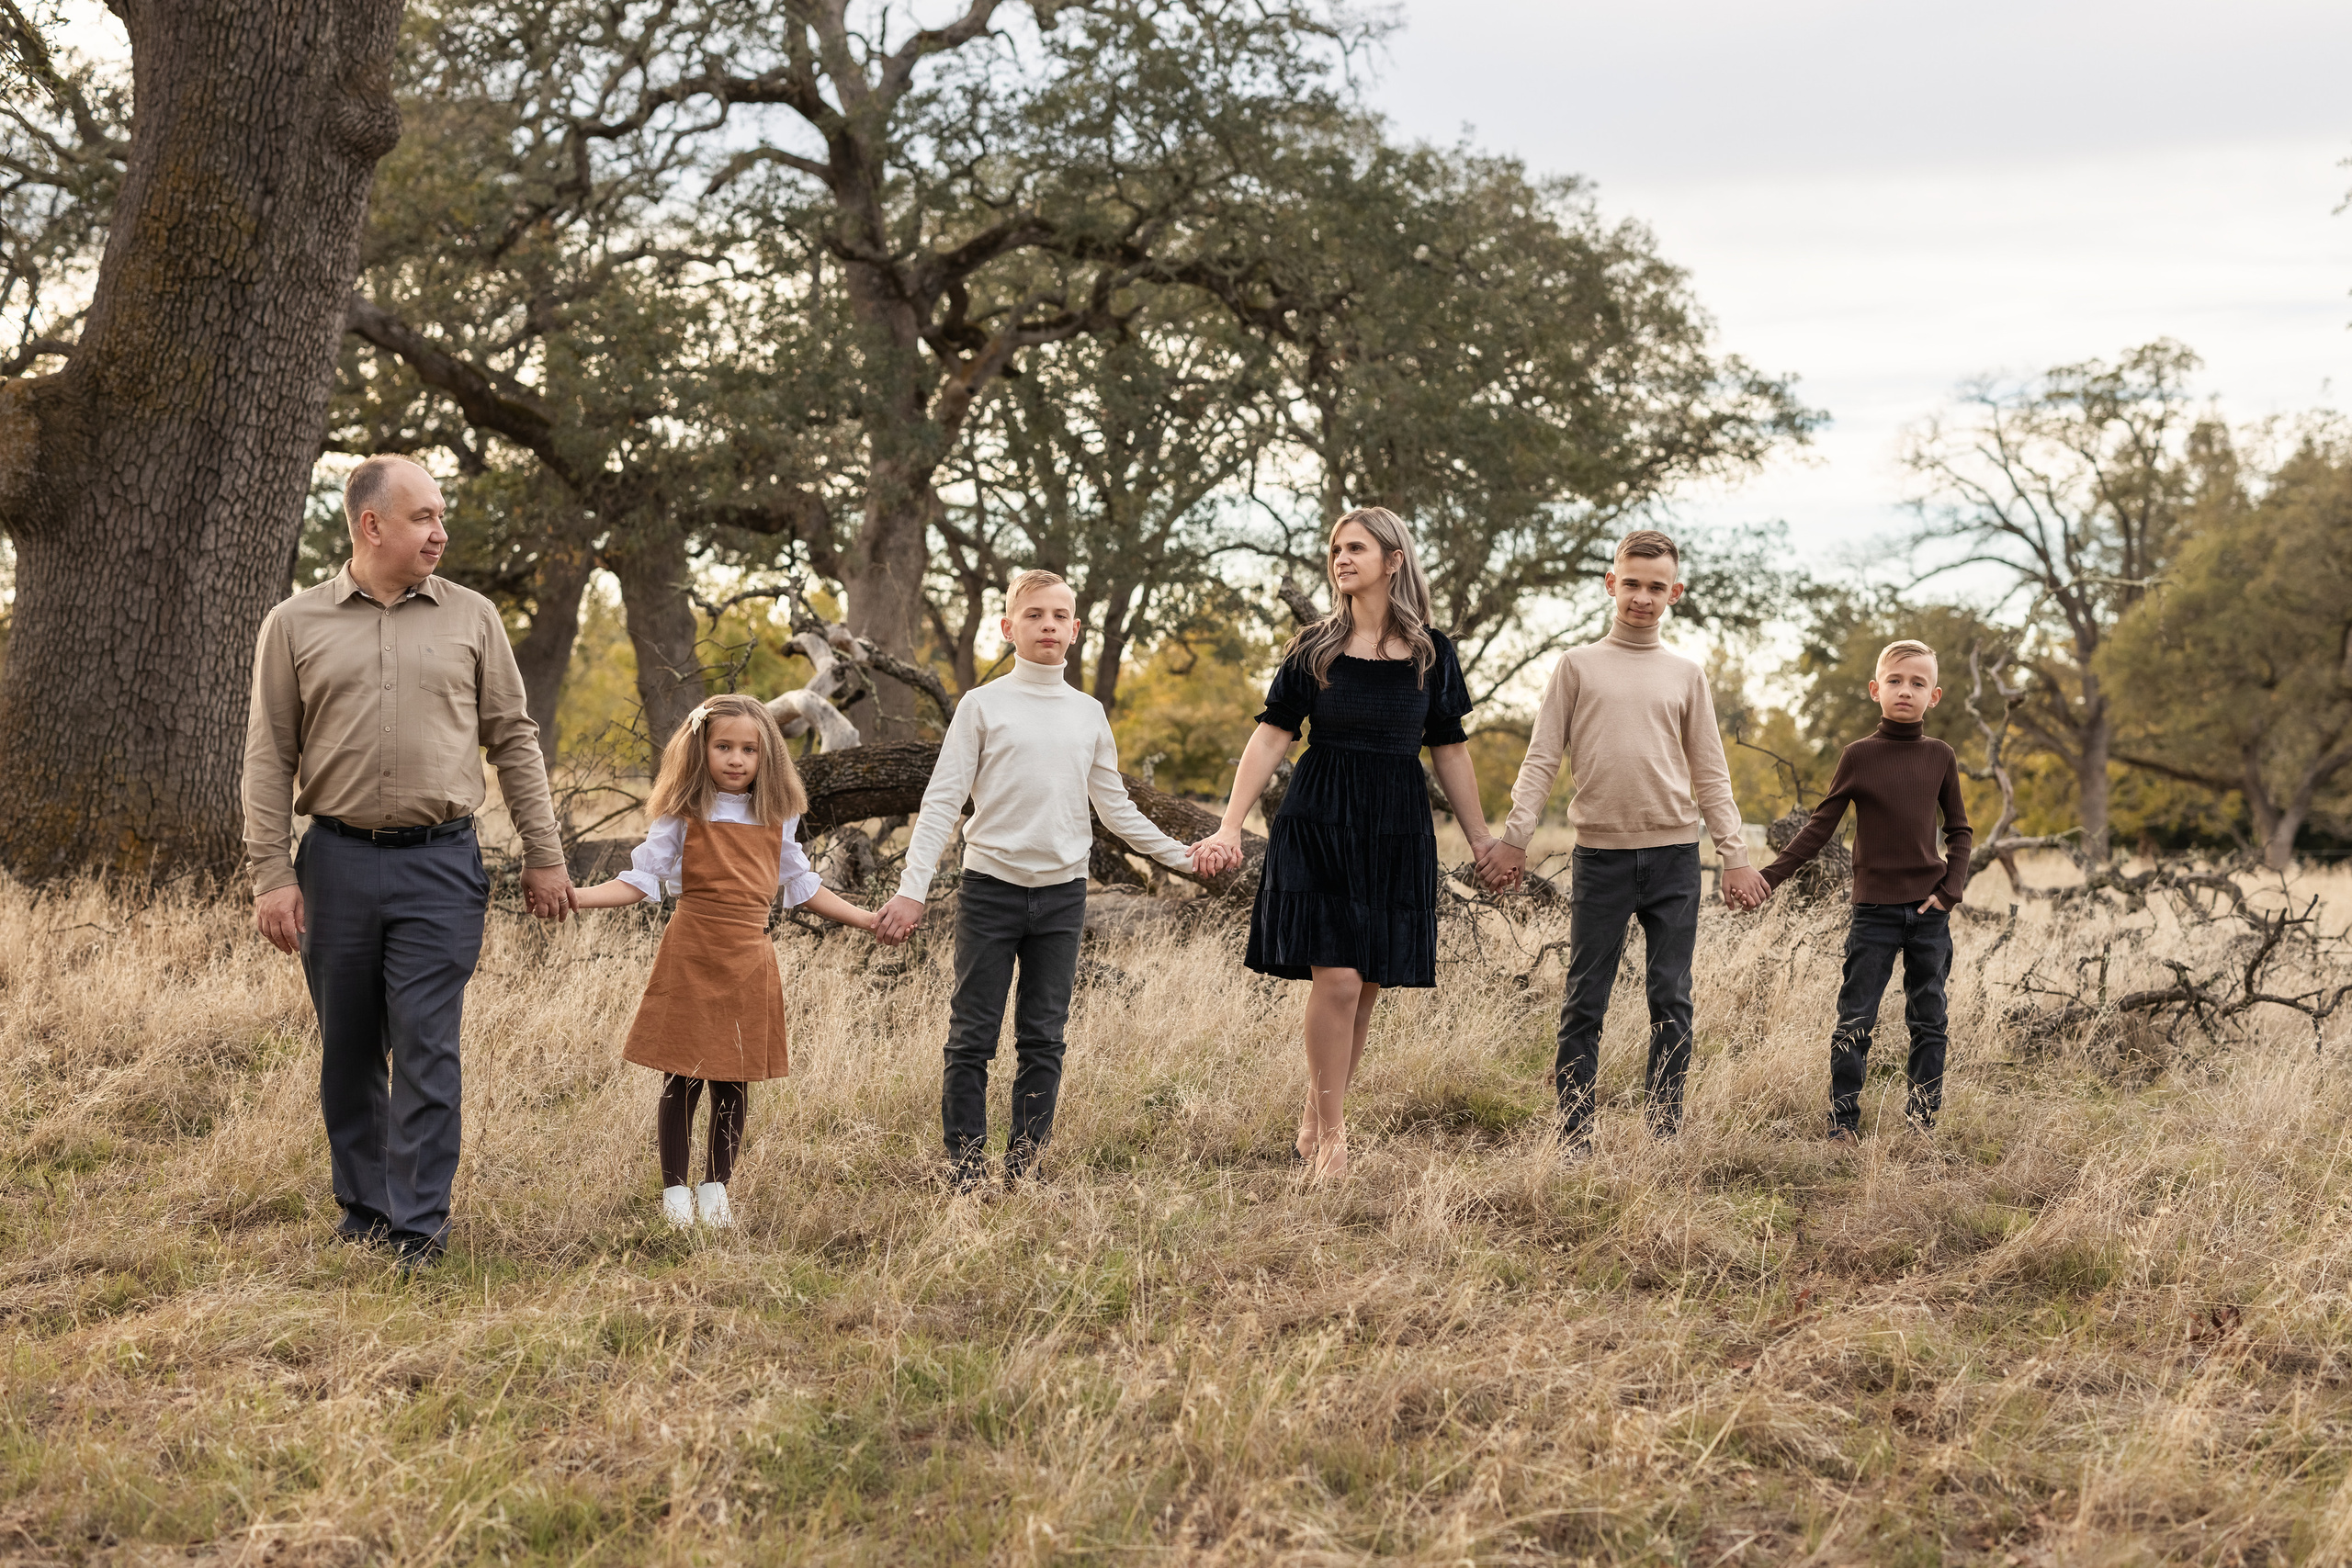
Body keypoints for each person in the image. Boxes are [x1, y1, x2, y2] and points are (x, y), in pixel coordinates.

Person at [243, 454, 575, 1271]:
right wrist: (272, 874)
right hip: (336, 865)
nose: (440, 531)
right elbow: (267, 756)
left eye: (440, 515)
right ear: (372, 525)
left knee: (428, 1045)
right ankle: (365, 1214)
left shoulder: (473, 617)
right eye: (425, 516)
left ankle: (419, 1229)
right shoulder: (293, 623)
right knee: (349, 1048)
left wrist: (545, 854)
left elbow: (515, 737)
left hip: (441, 866)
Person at [873, 570, 1211, 1190]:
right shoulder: (982, 705)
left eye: (1059, 615)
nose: (1048, 624)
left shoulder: (1087, 714)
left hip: (1062, 898)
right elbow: (943, 800)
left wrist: (1187, 858)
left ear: (1075, 630)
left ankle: (1022, 1169)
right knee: (972, 1035)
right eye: (1034, 615)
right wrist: (911, 887)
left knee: (1043, 1037)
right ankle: (967, 1172)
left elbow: (1116, 809)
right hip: (990, 891)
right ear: (1009, 627)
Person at [1194, 507, 1498, 1182]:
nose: (1341, 558)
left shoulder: (1431, 652)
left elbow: (1449, 750)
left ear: (1394, 559)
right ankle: (1333, 1137)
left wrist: (1481, 838)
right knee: (1334, 976)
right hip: (1319, 816)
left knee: (1364, 987)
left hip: (1394, 822)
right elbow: (1273, 734)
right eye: (1335, 548)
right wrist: (1228, 823)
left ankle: (1314, 1112)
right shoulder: (1315, 646)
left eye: (1356, 547)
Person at [1481, 530, 1768, 1148]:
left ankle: (1664, 1132)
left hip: (1672, 859)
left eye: (1656, 587)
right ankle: (1575, 1136)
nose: (1642, 596)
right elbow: (1540, 759)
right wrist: (1514, 838)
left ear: (1675, 593)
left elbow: (1710, 770)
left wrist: (1736, 856)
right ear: (1612, 583)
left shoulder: (1686, 674)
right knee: (1586, 997)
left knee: (1671, 997)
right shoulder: (1577, 666)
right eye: (1631, 583)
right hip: (1601, 859)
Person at [571, 694, 877, 1225]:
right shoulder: (684, 813)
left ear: (767, 758)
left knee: (733, 1077)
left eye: (749, 750)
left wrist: (868, 919)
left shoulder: (776, 815)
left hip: (747, 955)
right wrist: (575, 897)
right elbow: (641, 881)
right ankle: (674, 1195)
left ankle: (716, 1189)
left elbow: (802, 885)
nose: (736, 759)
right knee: (681, 1076)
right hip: (691, 948)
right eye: (723, 747)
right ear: (701, 750)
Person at [1753, 639, 1973, 1141]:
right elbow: (1819, 827)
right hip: (1873, 912)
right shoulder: (1859, 756)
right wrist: (1770, 877)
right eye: (1896, 681)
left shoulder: (1940, 755)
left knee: (1930, 1020)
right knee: (1855, 1019)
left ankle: (1921, 1124)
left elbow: (1960, 830)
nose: (1905, 690)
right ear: (1876, 689)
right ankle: (1843, 1124)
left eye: (1918, 683)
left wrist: (1949, 891)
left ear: (1933, 696)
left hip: (1927, 912)